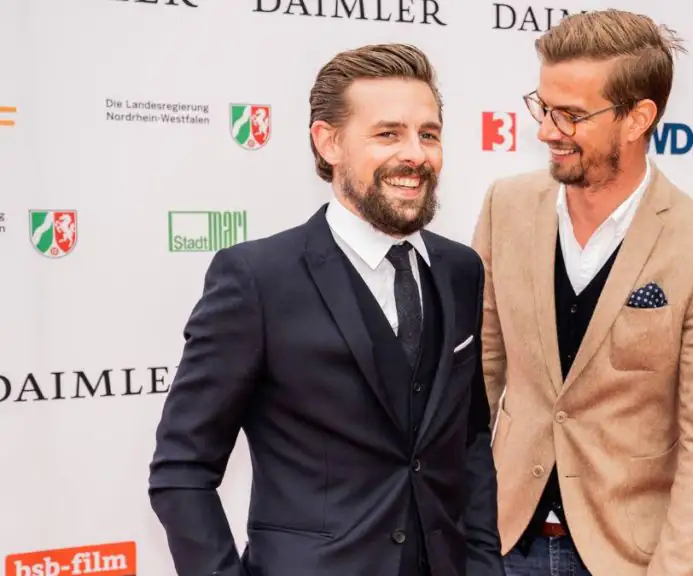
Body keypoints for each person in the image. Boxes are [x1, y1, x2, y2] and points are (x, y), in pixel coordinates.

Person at [149, 44, 503, 576]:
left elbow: (469, 439)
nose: (416, 154)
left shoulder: (460, 269)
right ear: (328, 141)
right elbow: (181, 470)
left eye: (428, 134)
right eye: (388, 134)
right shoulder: (257, 279)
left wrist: (482, 564)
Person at [472, 9, 693, 576]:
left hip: (624, 558)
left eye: (572, 115)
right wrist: (462, 529)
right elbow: (479, 374)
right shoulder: (506, 207)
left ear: (637, 119)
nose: (547, 130)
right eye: (544, 107)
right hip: (502, 543)